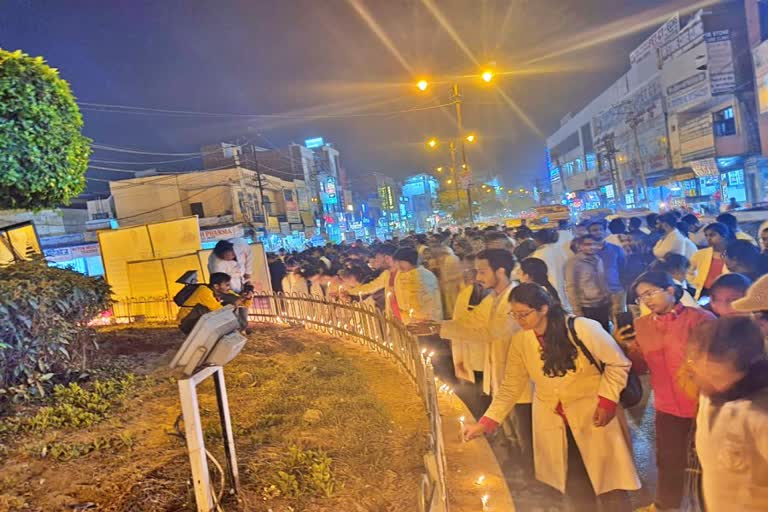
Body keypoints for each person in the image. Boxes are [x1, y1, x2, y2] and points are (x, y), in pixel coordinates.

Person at [464, 284, 639, 510]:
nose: (519, 320)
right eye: (514, 314)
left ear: (543, 308)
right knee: (575, 487)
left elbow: (618, 363)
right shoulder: (522, 341)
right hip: (555, 424)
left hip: (594, 417)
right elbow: (510, 387)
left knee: (610, 486)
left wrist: (607, 401)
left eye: (524, 314)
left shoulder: (583, 328)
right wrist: (487, 422)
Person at [621, 272, 715, 512]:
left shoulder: (701, 319)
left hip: (701, 404)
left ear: (671, 290)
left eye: (651, 292)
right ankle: (666, 506)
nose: (646, 300)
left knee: (708, 461)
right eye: (642, 297)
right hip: (666, 405)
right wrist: (626, 348)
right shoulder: (641, 325)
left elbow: (716, 361)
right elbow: (642, 367)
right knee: (668, 460)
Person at [687, 316, 768, 512]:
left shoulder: (759, 414)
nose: (697, 374)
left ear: (741, 369)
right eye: (693, 360)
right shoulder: (711, 394)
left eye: (712, 371)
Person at [565, 235, 612, 331]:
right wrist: (577, 311)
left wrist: (608, 298)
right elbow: (571, 287)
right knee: (593, 336)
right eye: (587, 244)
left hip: (603, 304)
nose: (592, 247)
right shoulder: (573, 263)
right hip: (587, 307)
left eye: (594, 244)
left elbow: (603, 281)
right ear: (580, 246)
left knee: (606, 334)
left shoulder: (598, 260)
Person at [392, 247, 442, 325]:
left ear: (408, 261)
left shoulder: (424, 276)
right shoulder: (400, 274)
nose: (397, 266)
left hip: (425, 322)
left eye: (399, 262)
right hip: (408, 321)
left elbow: (430, 303)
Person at [588, 221, 627, 320]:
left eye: (601, 229)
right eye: (595, 230)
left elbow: (623, 267)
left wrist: (623, 285)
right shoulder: (588, 253)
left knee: (619, 320)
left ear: (605, 231)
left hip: (616, 290)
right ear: (589, 233)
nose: (598, 232)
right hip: (597, 293)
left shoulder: (616, 249)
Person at [688, 222, 733, 299]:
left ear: (724, 236)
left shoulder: (733, 254)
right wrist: (695, 282)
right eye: (706, 235)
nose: (708, 238)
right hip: (703, 292)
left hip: (725, 294)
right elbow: (688, 270)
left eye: (712, 235)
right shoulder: (701, 254)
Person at [530, 228, 570, 311]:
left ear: (538, 240)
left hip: (551, 289)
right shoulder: (560, 249)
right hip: (566, 285)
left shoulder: (539, 254)